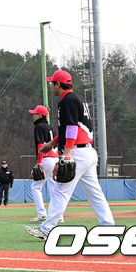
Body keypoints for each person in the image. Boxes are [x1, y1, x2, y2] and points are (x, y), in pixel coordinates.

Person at [27, 70, 115, 240]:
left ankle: (47, 229)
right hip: (88, 151)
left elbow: (73, 128)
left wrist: (66, 153)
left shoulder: (66, 101)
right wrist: (52, 144)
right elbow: (71, 128)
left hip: (77, 152)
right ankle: (108, 225)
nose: (51, 86)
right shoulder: (77, 99)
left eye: (52, 83)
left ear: (58, 85)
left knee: (61, 190)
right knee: (94, 192)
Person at [29, 105, 58, 222]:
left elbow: (41, 145)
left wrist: (39, 163)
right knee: (53, 188)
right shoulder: (51, 127)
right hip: (55, 158)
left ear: (40, 115)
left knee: (35, 187)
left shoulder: (39, 127)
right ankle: (58, 215)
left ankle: (42, 214)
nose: (33, 116)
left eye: (35, 114)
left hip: (46, 159)